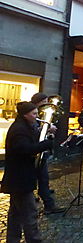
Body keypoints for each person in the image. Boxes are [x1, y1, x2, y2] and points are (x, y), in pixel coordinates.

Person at [1, 102, 53, 243]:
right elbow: (26, 149)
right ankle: (34, 240)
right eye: (34, 114)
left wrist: (46, 133)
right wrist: (46, 144)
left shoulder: (24, 126)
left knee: (15, 213)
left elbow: (31, 141)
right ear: (25, 114)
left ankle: (12, 239)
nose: (37, 117)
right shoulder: (19, 130)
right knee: (30, 212)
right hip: (20, 178)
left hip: (19, 177)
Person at [30, 93, 64, 214]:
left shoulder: (41, 114)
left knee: (43, 178)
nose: (47, 104)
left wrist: (49, 134)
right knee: (39, 177)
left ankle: (47, 202)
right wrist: (44, 129)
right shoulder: (32, 115)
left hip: (41, 149)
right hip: (33, 151)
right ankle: (46, 204)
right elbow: (31, 133)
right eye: (44, 101)